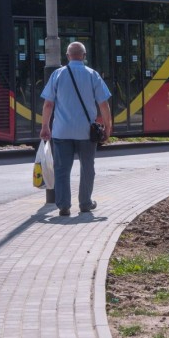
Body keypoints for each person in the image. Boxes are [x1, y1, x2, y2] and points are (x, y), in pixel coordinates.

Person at [40, 42, 112, 216]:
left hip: (61, 131)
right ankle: (85, 203)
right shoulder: (92, 75)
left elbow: (48, 103)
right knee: (87, 167)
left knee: (62, 169)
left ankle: (64, 205)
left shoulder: (57, 74)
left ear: (67, 56)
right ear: (84, 56)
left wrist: (45, 126)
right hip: (86, 132)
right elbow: (103, 104)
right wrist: (108, 127)